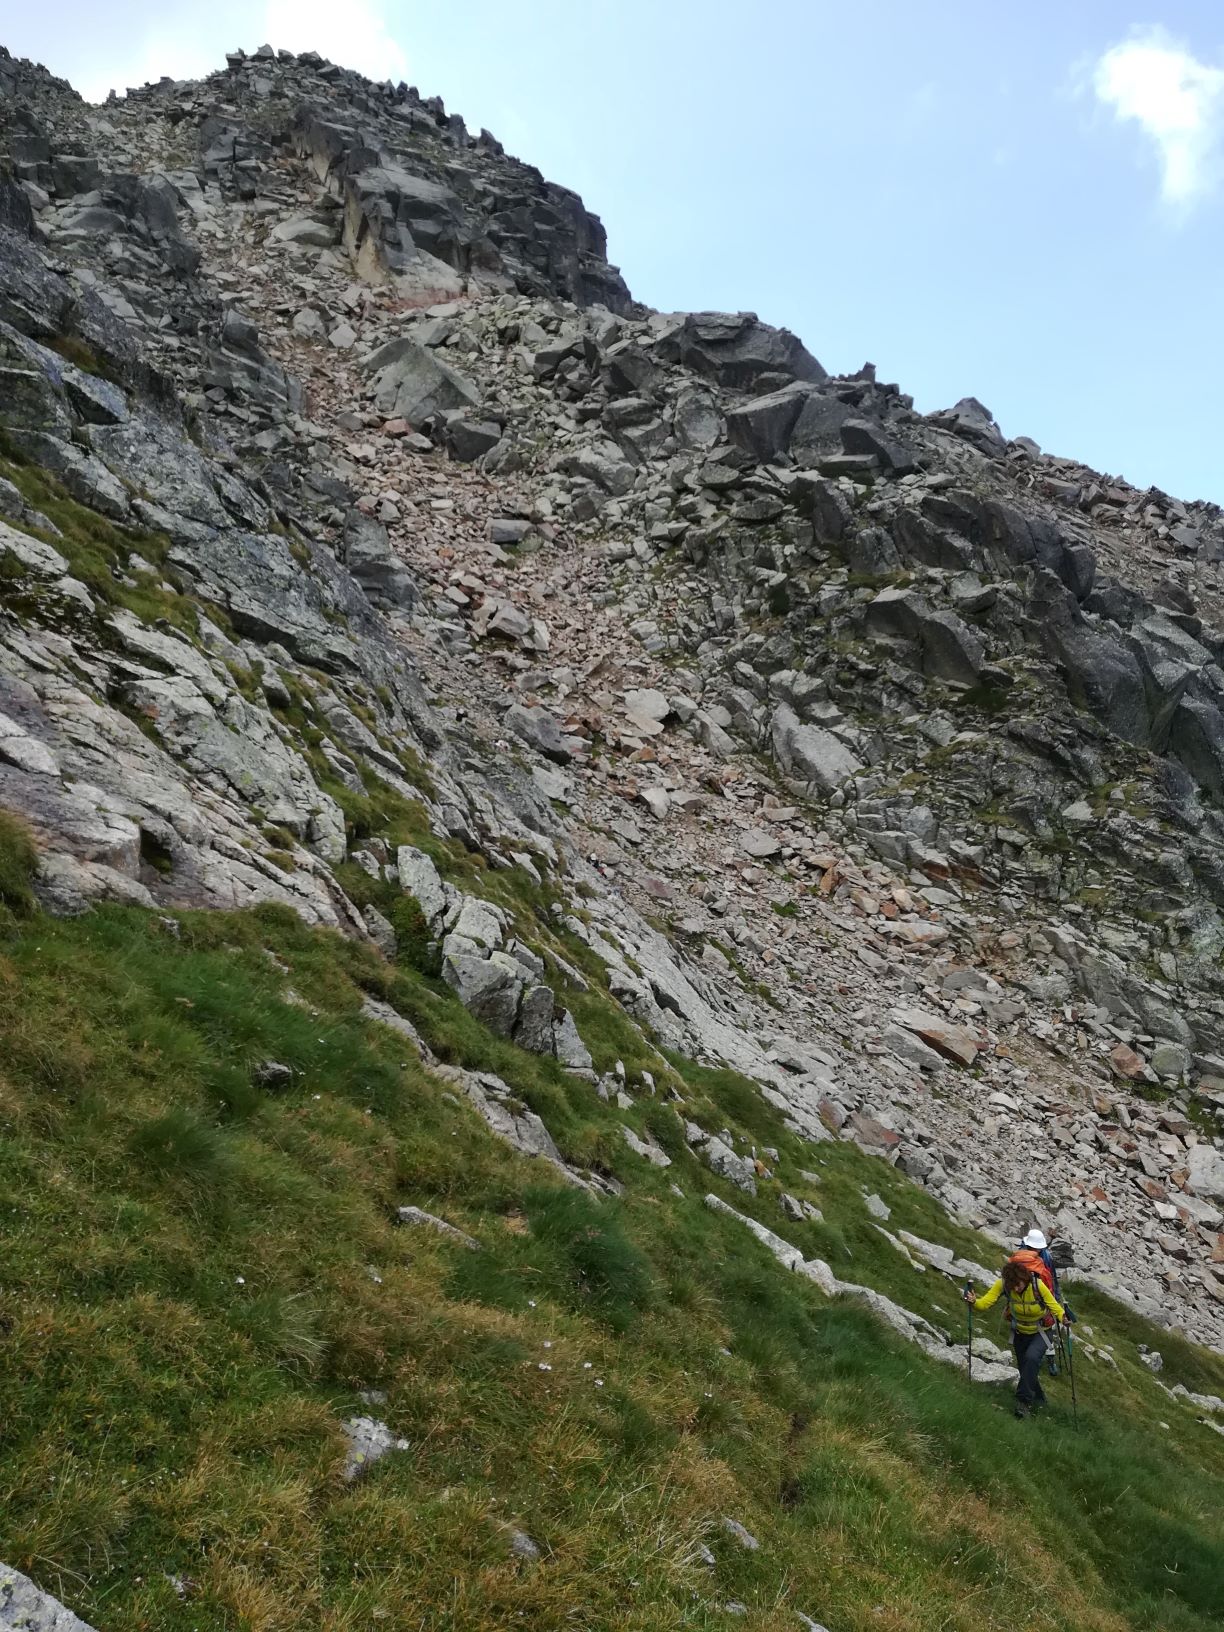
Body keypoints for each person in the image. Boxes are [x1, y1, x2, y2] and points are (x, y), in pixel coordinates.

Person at [965, 1255, 1067, 1417]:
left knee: (1032, 1358)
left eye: (1018, 1285)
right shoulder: (1004, 1285)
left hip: (1041, 1331)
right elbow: (985, 1303)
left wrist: (1064, 1318)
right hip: (1019, 1332)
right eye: (1012, 1287)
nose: (1015, 1290)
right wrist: (974, 1302)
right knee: (1025, 1368)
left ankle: (1023, 1403)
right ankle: (1040, 1401)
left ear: (1024, 1279)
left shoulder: (1037, 1286)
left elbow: (1055, 1307)